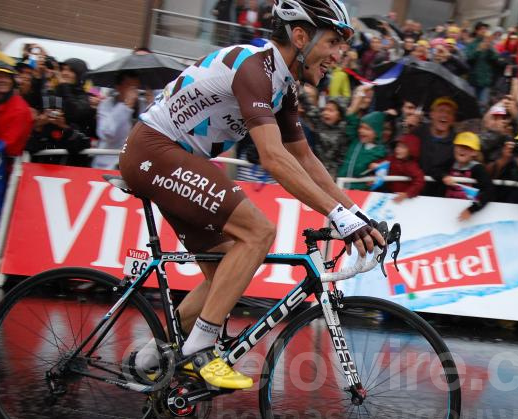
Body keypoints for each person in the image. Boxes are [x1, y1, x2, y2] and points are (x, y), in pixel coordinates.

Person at [121, 0, 384, 389]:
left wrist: (356, 216)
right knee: (259, 232)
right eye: (332, 42)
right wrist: (337, 217)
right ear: (300, 36)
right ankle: (199, 352)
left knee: (226, 273)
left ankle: (150, 359)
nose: (338, 56)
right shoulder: (256, 65)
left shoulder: (282, 85)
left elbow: (306, 160)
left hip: (172, 159)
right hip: (155, 151)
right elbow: (274, 159)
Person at [0, 61, 34, 176]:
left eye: (6, 77)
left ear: (12, 82)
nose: (2, 80)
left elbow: (9, 145)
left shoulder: (20, 108)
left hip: (5, 168)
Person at [92, 72, 142, 169]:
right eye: (129, 86)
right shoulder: (106, 104)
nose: (133, 91)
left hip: (131, 165)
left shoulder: (142, 105)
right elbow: (107, 133)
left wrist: (151, 105)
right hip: (106, 163)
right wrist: (125, 107)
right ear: (118, 87)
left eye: (135, 87)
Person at [443, 132, 494, 220]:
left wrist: (471, 209)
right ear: (454, 148)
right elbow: (434, 170)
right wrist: (443, 176)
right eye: (459, 146)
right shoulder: (449, 163)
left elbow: (489, 191)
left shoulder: (478, 168)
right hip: (447, 211)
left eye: (467, 148)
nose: (462, 150)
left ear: (474, 152)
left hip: (469, 215)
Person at [416, 97, 457, 197]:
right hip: (415, 193)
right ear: (432, 114)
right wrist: (406, 129)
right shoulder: (418, 132)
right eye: (441, 110)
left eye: (449, 112)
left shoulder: (457, 141)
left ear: (453, 119)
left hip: (441, 196)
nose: (445, 115)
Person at [371, 133, 425, 202]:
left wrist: (407, 194)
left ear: (412, 150)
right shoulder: (392, 159)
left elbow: (419, 181)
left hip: (403, 200)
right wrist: (374, 165)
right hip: (388, 195)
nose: (397, 149)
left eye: (402, 147)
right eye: (397, 146)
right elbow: (381, 163)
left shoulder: (411, 166)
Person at [338, 111, 387, 185]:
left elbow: (380, 171)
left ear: (377, 132)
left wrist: (374, 168)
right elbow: (351, 117)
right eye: (360, 127)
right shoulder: (356, 142)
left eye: (367, 129)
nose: (361, 131)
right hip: (341, 184)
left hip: (360, 189)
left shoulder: (380, 151)